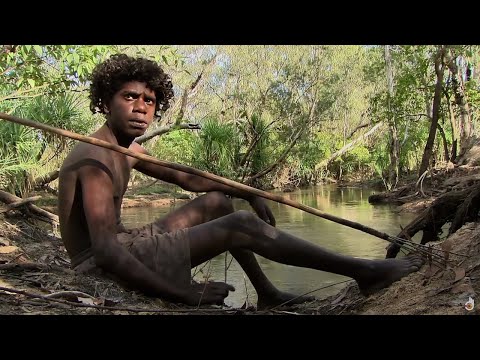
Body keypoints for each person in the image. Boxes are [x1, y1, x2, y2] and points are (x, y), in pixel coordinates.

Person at [58, 54, 424, 309]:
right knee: (241, 226)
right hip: (101, 265)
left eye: (150, 101)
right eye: (130, 97)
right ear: (106, 101)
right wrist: (181, 293)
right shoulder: (94, 159)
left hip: (127, 244)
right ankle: (366, 271)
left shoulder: (126, 148)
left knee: (218, 202)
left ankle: (266, 292)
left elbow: (186, 177)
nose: (142, 108)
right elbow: (106, 253)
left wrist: (249, 192)